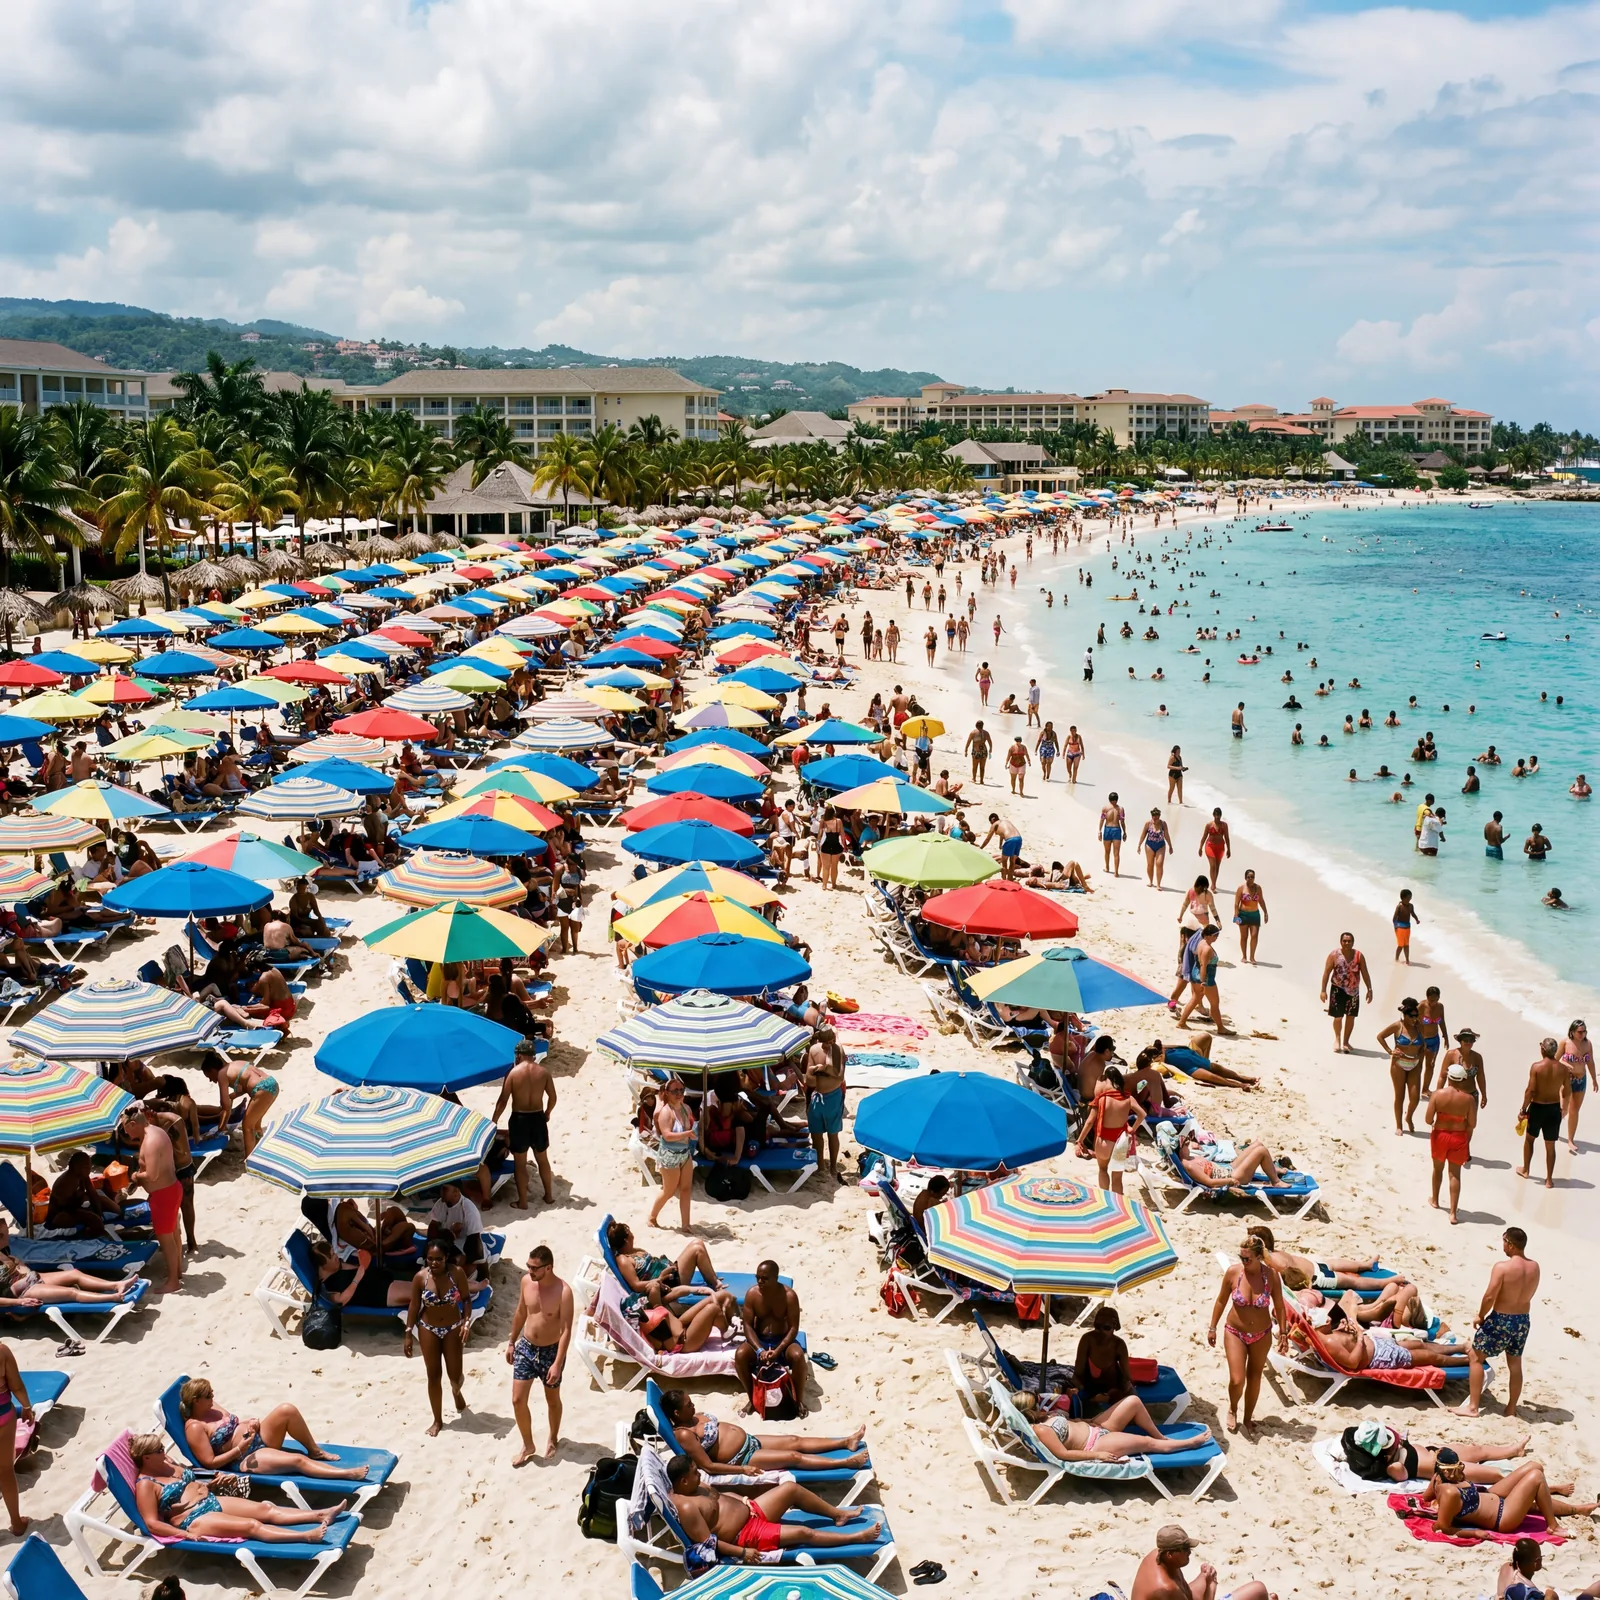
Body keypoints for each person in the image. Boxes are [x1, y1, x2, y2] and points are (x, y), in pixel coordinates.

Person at [127, 1434, 348, 1545]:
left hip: (212, 1499)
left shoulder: (167, 1462)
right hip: (194, 1519)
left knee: (266, 1510)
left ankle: (319, 1514)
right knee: (252, 1526)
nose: (164, 1450)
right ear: (146, 1457)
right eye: (158, 1449)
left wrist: (210, 1484)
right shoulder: (146, 1484)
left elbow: (192, 1480)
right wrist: (184, 1535)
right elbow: (152, 1523)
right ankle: (305, 1537)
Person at [664, 1457, 881, 1558]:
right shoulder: (686, 1508)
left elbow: (720, 1497)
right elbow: (708, 1544)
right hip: (746, 1534)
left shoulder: (696, 1484)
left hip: (752, 1511)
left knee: (790, 1489)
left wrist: (742, 1500)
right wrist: (743, 1552)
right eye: (694, 1472)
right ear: (683, 1481)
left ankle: (838, 1515)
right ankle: (857, 1538)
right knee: (802, 1533)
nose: (699, 1474)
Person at [176, 1377, 372, 1480]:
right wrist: (239, 1449)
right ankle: (346, 1474)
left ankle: (315, 1451)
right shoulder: (194, 1427)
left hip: (257, 1437)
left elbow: (233, 1423)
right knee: (297, 1460)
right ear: (196, 1401)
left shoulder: (212, 1406)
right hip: (245, 1458)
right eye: (209, 1395)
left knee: (287, 1410)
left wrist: (250, 1422)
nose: (213, 1396)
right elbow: (209, 1463)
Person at [660, 1388, 867, 1474]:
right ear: (677, 1413)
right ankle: (844, 1463)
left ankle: (846, 1442)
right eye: (688, 1405)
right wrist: (743, 1470)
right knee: (794, 1456)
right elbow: (708, 1466)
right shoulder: (684, 1434)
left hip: (750, 1441)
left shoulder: (693, 1416)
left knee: (795, 1440)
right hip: (742, 1458)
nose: (693, 1405)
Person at [1208, 1235, 1288, 1436]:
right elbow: (1220, 1301)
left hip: (1262, 1334)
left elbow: (1279, 1305)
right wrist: (1212, 1327)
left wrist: (1284, 1333)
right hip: (1235, 1332)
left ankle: (1248, 1417)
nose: (1243, 1262)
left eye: (1247, 1259)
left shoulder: (1271, 1276)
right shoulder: (1234, 1273)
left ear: (1259, 1256)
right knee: (1237, 1380)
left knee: (1254, 1378)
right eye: (1241, 1257)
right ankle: (1233, 1408)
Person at [1458, 1227, 1540, 1419]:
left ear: (1510, 1244)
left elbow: (1489, 1296)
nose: (1502, 1244)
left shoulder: (1502, 1267)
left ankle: (1472, 1407)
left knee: (1476, 1357)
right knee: (1515, 1363)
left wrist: (1480, 1315)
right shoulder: (1535, 1267)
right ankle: (1511, 1408)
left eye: (1504, 1241)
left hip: (1501, 1318)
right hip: (1522, 1320)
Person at [1421, 1449, 1591, 1539]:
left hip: (1489, 1495)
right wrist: (1474, 1533)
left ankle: (1570, 1504)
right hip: (1502, 1516)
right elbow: (1445, 1528)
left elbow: (1426, 1498)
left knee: (1534, 1466)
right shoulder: (1450, 1492)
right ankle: (1554, 1525)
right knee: (1536, 1477)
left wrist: (1436, 1501)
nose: (1459, 1471)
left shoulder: (1438, 1478)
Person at [506, 1244, 573, 1465]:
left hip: (551, 1351)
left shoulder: (563, 1292)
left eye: (534, 1268)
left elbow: (565, 1331)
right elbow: (520, 1312)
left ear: (548, 1268)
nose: (530, 1271)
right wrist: (511, 1342)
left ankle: (553, 1438)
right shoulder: (527, 1282)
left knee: (552, 1400)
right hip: (526, 1346)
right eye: (528, 1266)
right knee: (517, 1400)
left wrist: (557, 1363)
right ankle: (528, 1444)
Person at [1012, 1388, 1213, 1460]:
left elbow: (1070, 1422)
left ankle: (1160, 1436)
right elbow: (1063, 1454)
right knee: (1144, 1442)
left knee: (1133, 1401)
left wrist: (1085, 1421)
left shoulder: (1043, 1417)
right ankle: (1188, 1444)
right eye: (1037, 1403)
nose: (1041, 1402)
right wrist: (1097, 1454)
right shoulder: (1040, 1430)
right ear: (1029, 1410)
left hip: (1095, 1426)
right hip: (1094, 1444)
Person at [403, 1239, 473, 1436]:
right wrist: (408, 1333)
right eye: (430, 1259)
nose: (433, 1263)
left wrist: (466, 1323)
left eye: (438, 1259)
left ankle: (456, 1391)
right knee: (433, 1375)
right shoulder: (420, 1278)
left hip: (453, 1327)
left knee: (455, 1375)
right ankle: (437, 1419)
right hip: (428, 1327)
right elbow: (414, 1306)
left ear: (446, 1258)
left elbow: (466, 1299)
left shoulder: (456, 1273)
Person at [1317, 1292, 1485, 1374]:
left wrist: (1349, 1331)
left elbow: (1347, 1345)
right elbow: (1353, 1363)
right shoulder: (1329, 1343)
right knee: (1430, 1357)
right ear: (1323, 1323)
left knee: (1419, 1344)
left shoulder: (1326, 1335)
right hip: (1381, 1356)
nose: (1330, 1318)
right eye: (1327, 1317)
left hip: (1377, 1344)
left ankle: (1461, 1347)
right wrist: (1360, 1337)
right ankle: (1468, 1360)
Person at [121, 1105, 182, 1293]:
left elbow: (153, 1175)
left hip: (163, 1194)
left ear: (133, 1124)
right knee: (174, 1234)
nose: (126, 1134)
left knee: (166, 1240)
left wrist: (136, 1177)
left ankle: (173, 1281)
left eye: (126, 1129)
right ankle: (177, 1273)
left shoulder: (150, 1141)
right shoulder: (157, 1131)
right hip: (171, 1189)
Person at [736, 1261, 808, 1418]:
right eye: (758, 1278)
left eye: (765, 1278)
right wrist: (759, 1349)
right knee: (740, 1354)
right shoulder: (753, 1294)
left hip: (782, 1340)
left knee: (797, 1357)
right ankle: (752, 1398)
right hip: (760, 1340)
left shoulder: (789, 1296)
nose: (760, 1282)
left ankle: (798, 1400)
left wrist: (778, 1350)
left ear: (776, 1278)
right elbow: (747, 1325)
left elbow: (793, 1328)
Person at [491, 1039, 556, 1208]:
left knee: (520, 1163)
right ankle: (549, 1196)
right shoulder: (544, 1072)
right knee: (542, 1159)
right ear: (533, 1055)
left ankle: (523, 1202)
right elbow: (553, 1097)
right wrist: (548, 1112)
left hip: (519, 1119)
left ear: (518, 1055)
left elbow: (503, 1100)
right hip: (538, 1118)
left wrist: (494, 1120)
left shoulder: (513, 1073)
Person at [1130, 1525, 1270, 1600]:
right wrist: (1211, 1585)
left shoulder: (1158, 1556)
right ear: (1170, 1554)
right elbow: (1178, 1592)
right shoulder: (1167, 1588)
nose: (1189, 1552)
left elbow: (1186, 1593)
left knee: (1258, 1588)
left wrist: (1203, 1577)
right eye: (1184, 1549)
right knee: (1258, 1592)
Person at [1427, 1063, 1478, 1224]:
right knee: (1455, 1175)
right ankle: (1453, 1213)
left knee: (1438, 1168)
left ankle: (1435, 1200)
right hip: (1458, 1138)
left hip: (1440, 1135)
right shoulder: (1468, 1099)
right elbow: (1472, 1124)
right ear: (1462, 1080)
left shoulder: (1437, 1095)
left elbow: (1428, 1119)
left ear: (1448, 1078)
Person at [1079, 1065, 1143, 1194]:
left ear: (1106, 1080)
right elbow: (1142, 1114)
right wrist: (1132, 1129)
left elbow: (1089, 1122)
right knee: (1117, 1178)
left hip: (1104, 1141)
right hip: (1121, 1141)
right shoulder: (1128, 1097)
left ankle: (1106, 1199)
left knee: (1103, 1170)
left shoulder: (1102, 1099)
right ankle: (1118, 1203)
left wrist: (1079, 1140)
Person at [199, 1055, 278, 1157]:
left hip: (261, 1089)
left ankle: (249, 1160)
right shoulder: (235, 1064)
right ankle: (258, 1152)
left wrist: (220, 1129)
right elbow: (246, 1084)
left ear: (213, 1070)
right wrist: (232, 1096)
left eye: (209, 1076)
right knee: (255, 1125)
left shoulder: (221, 1074)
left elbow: (225, 1108)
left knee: (247, 1127)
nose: (210, 1080)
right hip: (272, 1084)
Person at [648, 1077, 696, 1231]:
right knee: (668, 1191)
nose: (679, 1093)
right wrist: (687, 1134)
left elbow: (689, 1126)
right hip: (669, 1154)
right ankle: (652, 1217)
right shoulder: (665, 1112)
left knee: (686, 1189)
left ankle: (686, 1224)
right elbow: (667, 1135)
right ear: (667, 1093)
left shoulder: (686, 1108)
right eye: (675, 1091)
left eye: (681, 1090)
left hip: (684, 1152)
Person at [1517, 1038, 1566, 1189]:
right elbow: (1568, 1092)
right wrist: (1562, 1109)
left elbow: (1530, 1091)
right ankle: (1549, 1180)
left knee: (1530, 1139)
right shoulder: (1563, 1069)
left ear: (1543, 1049)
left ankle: (1526, 1170)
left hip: (1538, 1108)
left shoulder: (1536, 1067)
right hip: (1554, 1109)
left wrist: (1523, 1110)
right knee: (1550, 1146)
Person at [45, 1148, 125, 1236]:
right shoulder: (66, 1182)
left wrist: (99, 1212)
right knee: (94, 1220)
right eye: (86, 1167)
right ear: (75, 1167)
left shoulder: (82, 1175)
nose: (89, 1170)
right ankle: (87, 1236)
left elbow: (92, 1194)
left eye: (90, 1167)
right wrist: (89, 1211)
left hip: (75, 1206)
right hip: (59, 1215)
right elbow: (66, 1207)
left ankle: (105, 1217)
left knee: (105, 1202)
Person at [1377, 998, 1427, 1135]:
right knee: (1400, 1096)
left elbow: (1423, 1046)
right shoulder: (1397, 1026)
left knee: (1415, 1097)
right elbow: (1380, 1036)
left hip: (1415, 1065)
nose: (1414, 1019)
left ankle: (1409, 1117)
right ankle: (1399, 1125)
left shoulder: (1420, 1027)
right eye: (1411, 1016)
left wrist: (1421, 1063)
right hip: (1398, 1064)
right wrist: (1390, 1051)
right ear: (1404, 1015)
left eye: (1416, 1016)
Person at [804, 1027, 846, 1184]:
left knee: (832, 1133)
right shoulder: (814, 1050)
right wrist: (816, 1071)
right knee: (816, 1132)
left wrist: (824, 1069)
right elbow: (809, 1079)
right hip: (818, 1096)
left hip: (833, 1097)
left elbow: (839, 1075)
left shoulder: (837, 1050)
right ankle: (820, 1165)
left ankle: (833, 1167)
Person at [1320, 932, 1372, 1054]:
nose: (1347, 943)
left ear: (1353, 943)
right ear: (1341, 942)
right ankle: (1337, 1038)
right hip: (1337, 989)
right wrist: (1323, 990)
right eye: (1344, 941)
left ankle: (1346, 1041)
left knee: (1351, 1017)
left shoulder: (1359, 956)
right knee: (1338, 1017)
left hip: (1353, 991)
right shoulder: (1334, 955)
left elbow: (1365, 973)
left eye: (1349, 941)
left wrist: (1369, 989)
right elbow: (1326, 973)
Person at [1175, 924, 1223, 1034]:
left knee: (1195, 999)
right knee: (1215, 1003)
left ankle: (1182, 1022)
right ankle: (1220, 1028)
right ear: (1209, 935)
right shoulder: (1206, 948)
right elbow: (1203, 966)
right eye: (1215, 936)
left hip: (1196, 974)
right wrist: (1203, 982)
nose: (1216, 938)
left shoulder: (1201, 943)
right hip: (1206, 978)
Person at [1560, 1018, 1593, 1156]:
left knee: (1575, 1110)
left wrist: (1594, 1080)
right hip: (1567, 1080)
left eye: (1584, 1031)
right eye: (1580, 1032)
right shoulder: (1565, 1042)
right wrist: (1566, 1065)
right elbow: (1556, 1060)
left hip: (1581, 1079)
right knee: (1564, 1108)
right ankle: (1553, 1129)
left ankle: (1570, 1139)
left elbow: (1590, 1062)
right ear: (1572, 1032)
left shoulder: (1587, 1044)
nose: (1583, 1034)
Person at [1232, 869, 1268, 964]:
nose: (1251, 878)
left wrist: (1265, 912)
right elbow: (1236, 903)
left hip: (1255, 914)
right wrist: (1236, 915)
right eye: (1249, 877)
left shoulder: (1258, 888)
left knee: (1254, 935)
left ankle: (1252, 957)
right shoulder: (1241, 888)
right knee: (1244, 936)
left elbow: (1261, 901)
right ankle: (1244, 956)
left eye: (1252, 877)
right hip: (1243, 914)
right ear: (1245, 878)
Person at [981, 811, 1023, 880]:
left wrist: (981, 848)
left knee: (1004, 862)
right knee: (1012, 861)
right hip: (1019, 839)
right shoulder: (1006, 822)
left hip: (1010, 840)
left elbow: (987, 839)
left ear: (992, 819)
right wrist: (1000, 844)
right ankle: (1010, 878)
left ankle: (1004, 880)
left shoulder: (995, 824)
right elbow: (1003, 834)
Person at [1197, 807, 1230, 892]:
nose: (1217, 817)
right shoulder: (1209, 825)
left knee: (1217, 866)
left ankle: (1214, 883)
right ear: (1213, 815)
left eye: (1218, 815)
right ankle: (1213, 885)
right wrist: (1200, 848)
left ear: (1220, 815)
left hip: (1220, 847)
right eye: (1215, 815)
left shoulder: (1224, 825)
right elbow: (1204, 837)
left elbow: (1227, 837)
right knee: (1213, 865)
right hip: (1210, 846)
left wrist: (1229, 849)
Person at [1140, 808, 1173, 889]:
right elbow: (1143, 834)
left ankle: (1158, 884)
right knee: (1150, 864)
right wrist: (1139, 845)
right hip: (1149, 845)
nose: (1155, 819)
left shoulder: (1163, 824)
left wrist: (1170, 846)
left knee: (1159, 864)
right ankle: (1150, 881)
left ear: (1159, 816)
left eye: (1157, 817)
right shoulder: (1148, 823)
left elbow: (1166, 835)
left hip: (1160, 845)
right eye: (1153, 817)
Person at [1099, 792, 1126, 875]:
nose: (1113, 802)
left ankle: (1107, 868)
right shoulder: (1120, 809)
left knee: (1108, 851)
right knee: (1115, 852)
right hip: (1116, 829)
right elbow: (1122, 822)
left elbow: (1102, 820)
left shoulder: (1105, 808)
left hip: (1109, 829)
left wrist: (1099, 831)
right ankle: (1116, 872)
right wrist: (1125, 832)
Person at [1392, 889, 1419, 964]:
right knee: (1400, 945)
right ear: (1403, 898)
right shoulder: (1399, 906)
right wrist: (1396, 927)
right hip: (1400, 928)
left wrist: (1416, 919)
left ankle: (1407, 960)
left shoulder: (1411, 906)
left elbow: (1413, 914)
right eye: (1408, 898)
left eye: (1410, 897)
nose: (1410, 899)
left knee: (1406, 945)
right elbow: (1394, 918)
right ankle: (1396, 958)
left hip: (1407, 927)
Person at [964, 720, 991, 785]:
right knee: (982, 767)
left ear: (976, 725)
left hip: (976, 751)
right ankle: (981, 780)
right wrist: (990, 749)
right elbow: (990, 742)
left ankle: (974, 779)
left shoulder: (973, 733)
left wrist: (966, 750)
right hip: (984, 751)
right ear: (982, 725)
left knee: (975, 766)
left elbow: (968, 742)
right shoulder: (986, 733)